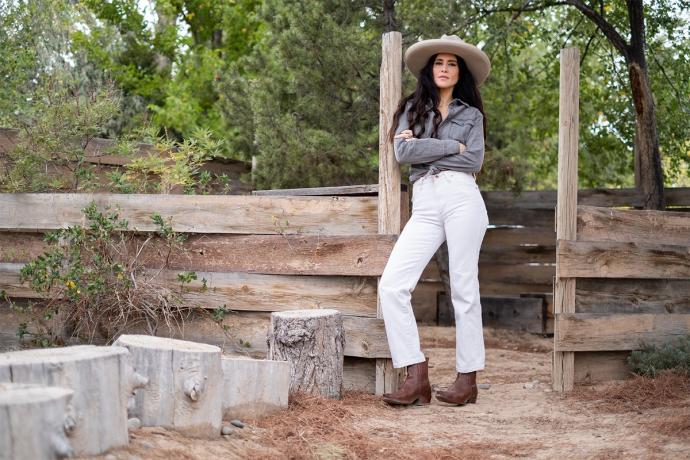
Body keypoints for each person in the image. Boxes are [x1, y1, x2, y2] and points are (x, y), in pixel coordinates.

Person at [379, 34, 491, 406]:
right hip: (425, 201)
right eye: (439, 63)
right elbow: (401, 151)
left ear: (460, 73)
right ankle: (416, 376)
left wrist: (425, 150)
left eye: (452, 64)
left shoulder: (470, 115)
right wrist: (449, 147)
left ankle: (467, 379)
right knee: (392, 286)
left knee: (463, 288)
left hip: (462, 197)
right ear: (430, 70)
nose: (444, 69)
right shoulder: (413, 108)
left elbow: (473, 161)